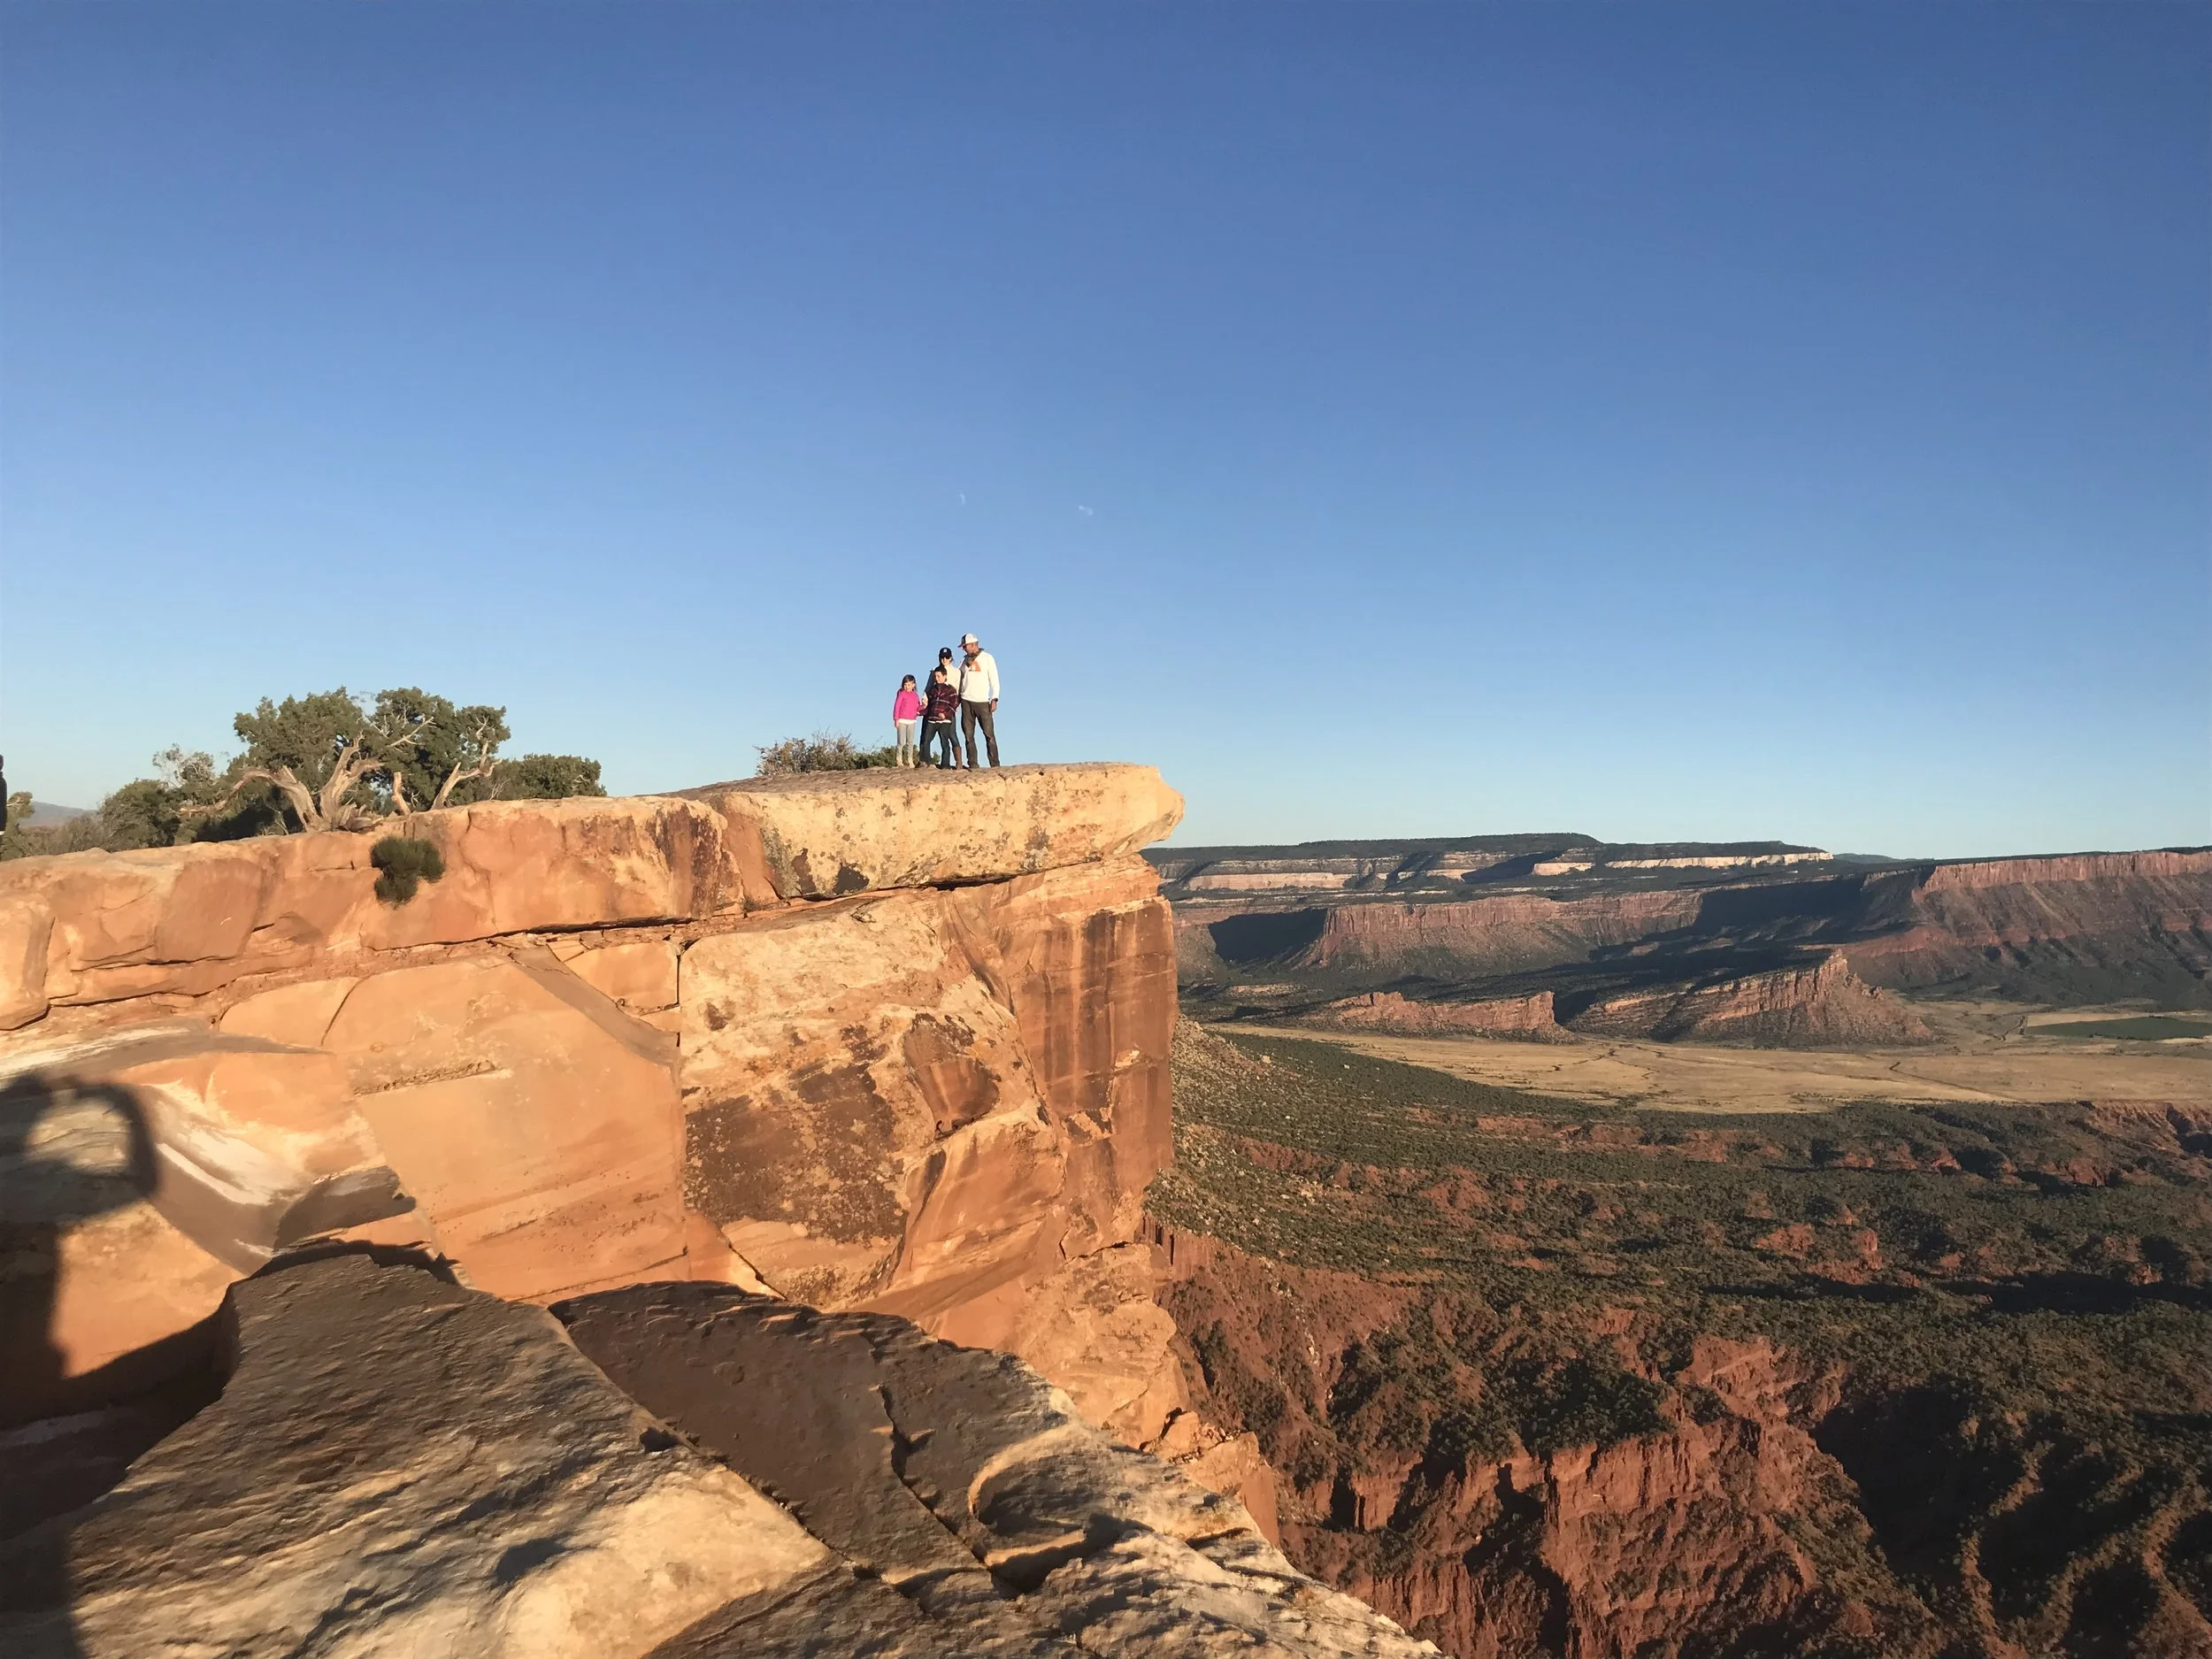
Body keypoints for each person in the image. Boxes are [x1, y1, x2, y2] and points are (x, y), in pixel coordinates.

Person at [957, 633, 1002, 768]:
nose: (964, 649)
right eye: (964, 647)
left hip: (982, 701)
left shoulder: (987, 658)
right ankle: (973, 763)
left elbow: (994, 679)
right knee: (968, 734)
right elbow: (959, 679)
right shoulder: (964, 661)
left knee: (989, 734)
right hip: (966, 700)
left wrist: (995, 698)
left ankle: (995, 764)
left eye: (966, 646)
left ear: (974, 644)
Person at [919, 664, 962, 768]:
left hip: (944, 721)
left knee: (944, 743)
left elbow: (954, 703)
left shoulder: (950, 689)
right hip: (932, 720)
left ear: (944, 676)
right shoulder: (932, 690)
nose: (937, 678)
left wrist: (946, 714)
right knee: (926, 740)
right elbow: (929, 702)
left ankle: (945, 765)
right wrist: (924, 710)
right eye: (935, 676)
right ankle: (926, 762)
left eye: (939, 676)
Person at [892, 674, 924, 768]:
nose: (907, 687)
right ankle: (899, 760)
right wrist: (896, 719)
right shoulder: (901, 694)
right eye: (905, 684)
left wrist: (924, 707)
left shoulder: (915, 696)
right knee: (901, 742)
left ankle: (910, 760)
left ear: (913, 685)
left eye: (909, 684)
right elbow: (897, 706)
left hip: (912, 721)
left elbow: (918, 709)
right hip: (902, 720)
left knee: (910, 742)